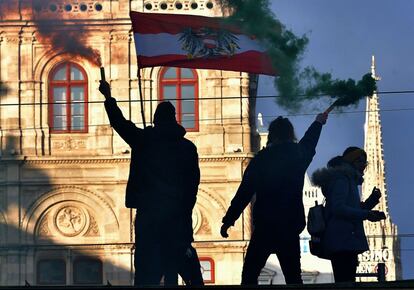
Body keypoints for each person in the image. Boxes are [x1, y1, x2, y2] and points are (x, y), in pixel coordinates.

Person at [98, 81, 203, 286]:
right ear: (174, 119)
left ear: (155, 120)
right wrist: (184, 209)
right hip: (177, 218)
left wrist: (108, 97)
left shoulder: (144, 140)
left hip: (149, 218)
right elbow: (193, 186)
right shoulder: (188, 148)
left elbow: (120, 123)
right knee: (186, 269)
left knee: (146, 273)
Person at [220, 113, 328, 285]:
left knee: (249, 275)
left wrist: (229, 219)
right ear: (290, 134)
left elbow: (244, 193)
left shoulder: (261, 159)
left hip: (266, 225)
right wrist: (318, 123)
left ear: (272, 135)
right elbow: (309, 142)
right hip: (290, 225)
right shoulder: (297, 155)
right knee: (293, 277)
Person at [311, 147, 386, 282]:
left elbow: (351, 208)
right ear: (352, 162)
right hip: (342, 239)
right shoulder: (342, 179)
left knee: (346, 280)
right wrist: (367, 214)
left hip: (345, 240)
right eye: (360, 161)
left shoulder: (347, 180)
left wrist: (371, 202)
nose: (364, 165)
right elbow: (338, 208)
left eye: (365, 162)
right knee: (345, 281)